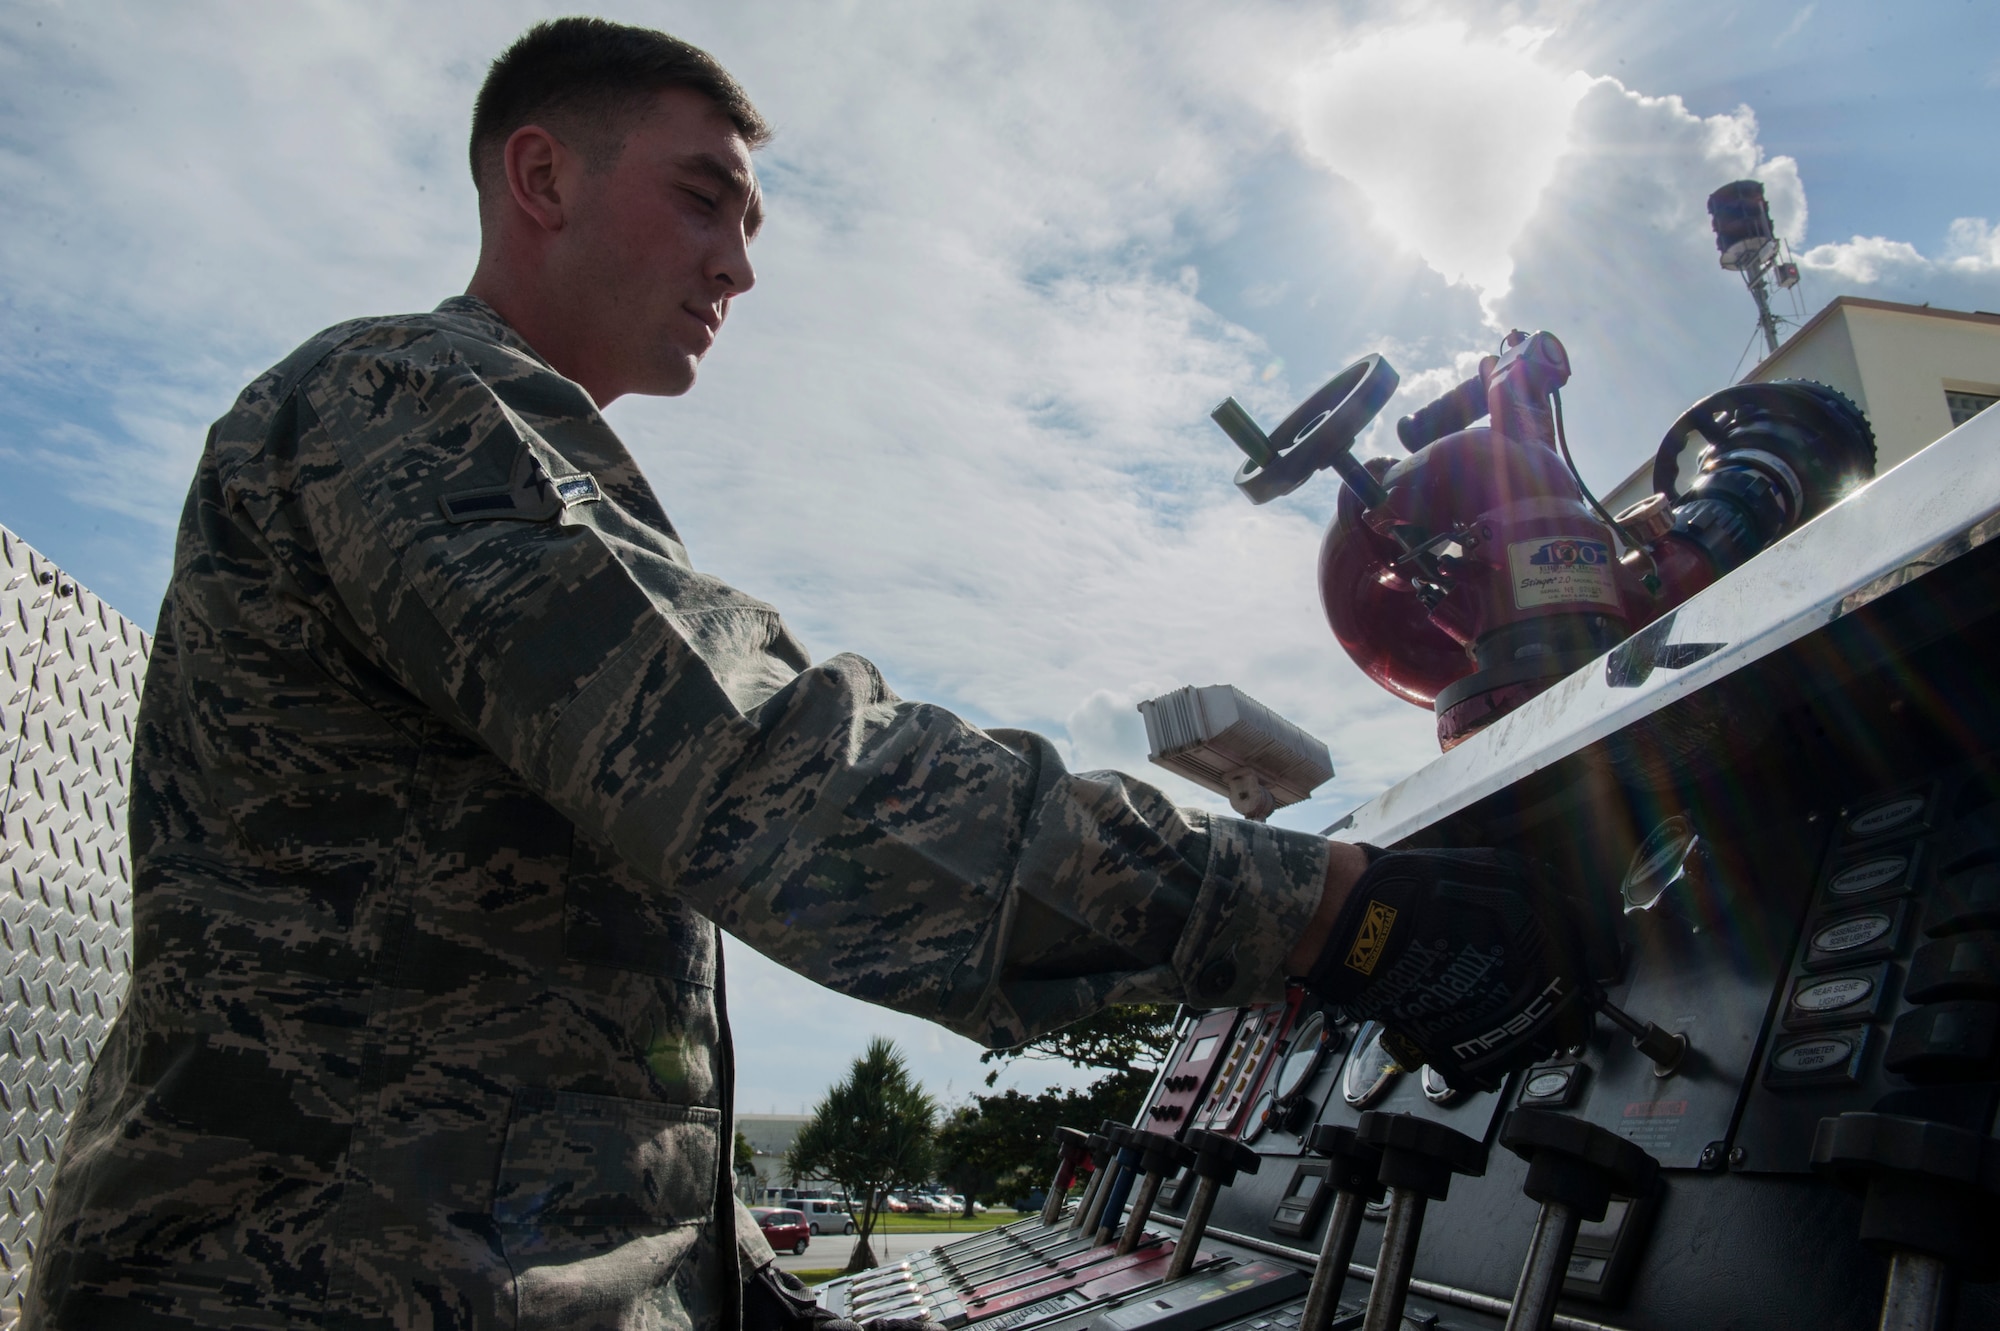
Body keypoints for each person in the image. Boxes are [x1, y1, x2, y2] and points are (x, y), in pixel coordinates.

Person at [25, 18, 1593, 1331]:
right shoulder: (408, 398)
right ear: (542, 173)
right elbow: (771, 778)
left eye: (752, 226)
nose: (739, 266)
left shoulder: (485, 437)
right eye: (705, 201)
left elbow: (541, 1019)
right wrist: (1333, 916)